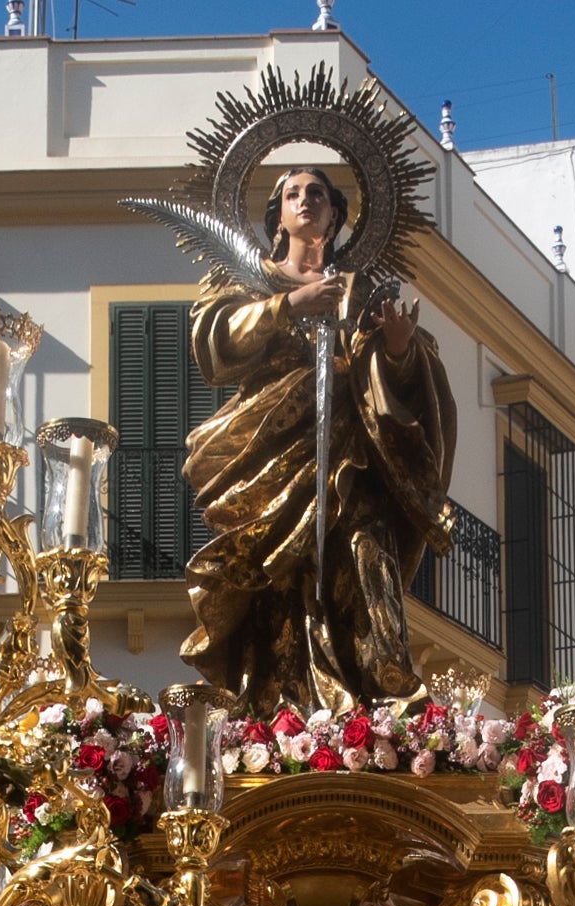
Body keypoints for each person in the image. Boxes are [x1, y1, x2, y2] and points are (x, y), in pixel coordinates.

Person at [179, 160, 459, 713]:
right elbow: (213, 344)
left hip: (353, 462)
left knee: (365, 559)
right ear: (278, 215)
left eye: (317, 194)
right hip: (273, 462)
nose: (305, 200)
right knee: (281, 581)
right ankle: (281, 706)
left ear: (334, 218)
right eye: (293, 194)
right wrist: (288, 306)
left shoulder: (363, 295)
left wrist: (399, 350)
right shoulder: (247, 279)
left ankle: (377, 703)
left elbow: (404, 388)